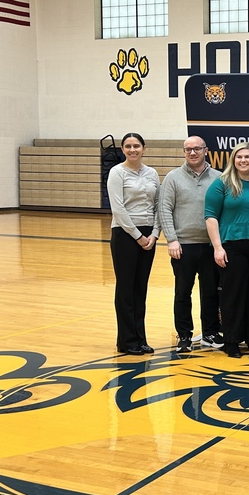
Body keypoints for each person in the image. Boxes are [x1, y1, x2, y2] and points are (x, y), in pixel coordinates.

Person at [158, 136, 223, 353]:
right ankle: (184, 335)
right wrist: (172, 239)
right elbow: (164, 209)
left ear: (206, 150)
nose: (192, 153)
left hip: (210, 245)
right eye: (188, 150)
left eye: (196, 149)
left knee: (211, 292)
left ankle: (211, 332)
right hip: (183, 246)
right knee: (182, 292)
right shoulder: (173, 178)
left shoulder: (219, 178)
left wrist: (219, 245)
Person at [205, 142, 249, 358]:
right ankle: (231, 340)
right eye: (239, 157)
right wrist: (217, 247)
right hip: (231, 247)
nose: (243, 160)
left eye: (247, 157)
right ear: (233, 159)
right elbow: (210, 216)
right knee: (233, 295)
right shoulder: (221, 183)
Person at [107, 132, 160, 355]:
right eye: (128, 146)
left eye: (136, 146)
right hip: (125, 234)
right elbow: (118, 209)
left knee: (141, 289)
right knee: (126, 289)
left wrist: (155, 234)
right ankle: (127, 341)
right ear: (122, 149)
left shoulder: (152, 173)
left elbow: (159, 205)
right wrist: (138, 236)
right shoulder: (117, 172)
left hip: (149, 235)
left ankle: (140, 338)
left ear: (144, 148)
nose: (132, 150)